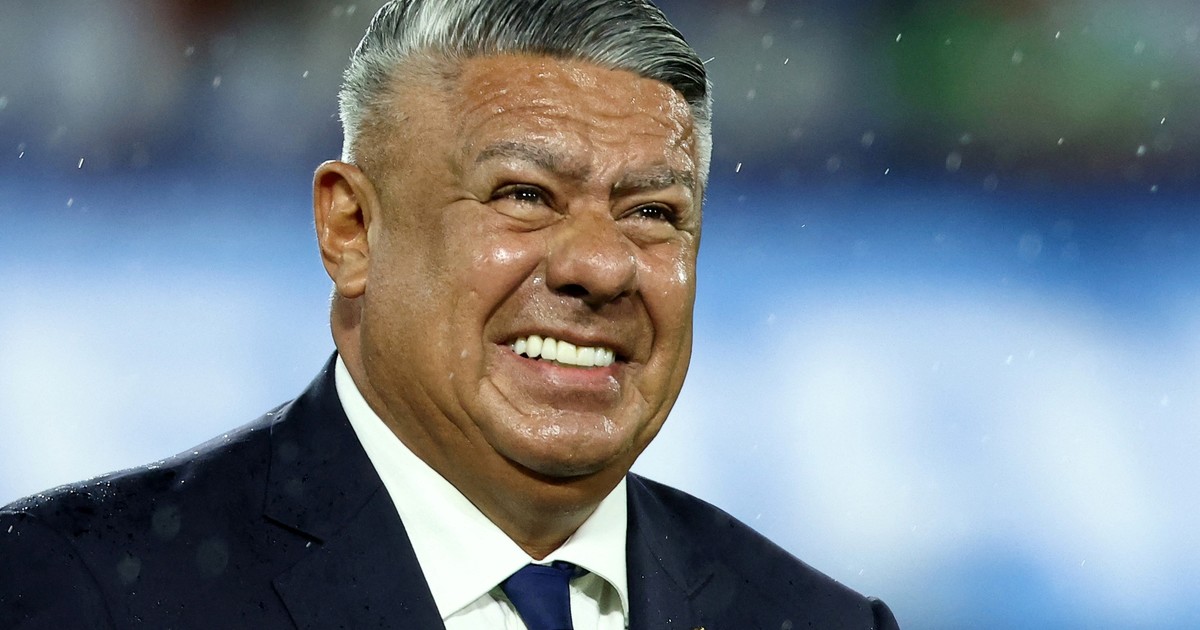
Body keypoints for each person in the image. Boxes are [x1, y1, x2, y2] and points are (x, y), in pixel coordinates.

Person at [0, 1, 898, 628]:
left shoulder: (816, 620)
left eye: (653, 212)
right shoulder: (78, 590)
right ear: (352, 230)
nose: (600, 266)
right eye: (525, 195)